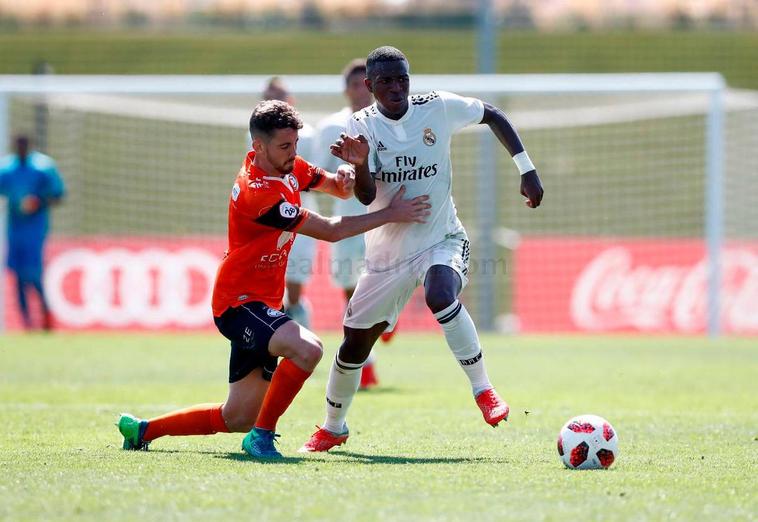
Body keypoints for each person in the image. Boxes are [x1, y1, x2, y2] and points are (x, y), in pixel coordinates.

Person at [117, 99, 431, 458]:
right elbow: (329, 230)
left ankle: (143, 431)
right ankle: (262, 437)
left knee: (236, 416)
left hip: (262, 304)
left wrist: (346, 176)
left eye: (295, 145)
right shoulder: (257, 193)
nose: (292, 153)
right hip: (238, 304)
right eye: (285, 146)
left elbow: (336, 188)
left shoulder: (287, 165)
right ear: (258, 146)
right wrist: (391, 214)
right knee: (308, 349)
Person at [300, 46, 544, 453]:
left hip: (441, 236)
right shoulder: (361, 127)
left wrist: (527, 169)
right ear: (369, 86)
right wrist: (360, 165)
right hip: (386, 256)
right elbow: (364, 198)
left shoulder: (437, 107)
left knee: (440, 294)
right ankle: (333, 425)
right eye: (386, 81)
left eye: (402, 78)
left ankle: (484, 390)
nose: (396, 87)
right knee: (354, 345)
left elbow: (494, 116)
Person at [311, 59, 392, 391]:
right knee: (351, 290)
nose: (363, 91)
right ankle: (366, 364)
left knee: (390, 281)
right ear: (347, 89)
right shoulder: (331, 127)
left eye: (367, 85)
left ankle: (389, 318)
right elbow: (315, 174)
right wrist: (341, 179)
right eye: (357, 85)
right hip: (349, 220)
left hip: (386, 220)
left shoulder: (390, 122)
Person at [262, 77, 319, 329]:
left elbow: (309, 176)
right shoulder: (254, 136)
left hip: (299, 213)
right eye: (268, 96)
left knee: (295, 279)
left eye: (279, 96)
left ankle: (300, 328)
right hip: (267, 216)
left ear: (291, 101)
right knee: (268, 280)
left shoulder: (307, 135)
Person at [0, 135, 65, 330]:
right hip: (14, 230)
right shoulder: (6, 169)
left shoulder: (43, 167)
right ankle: (26, 324)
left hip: (35, 230)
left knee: (33, 274)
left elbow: (59, 194)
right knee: (18, 276)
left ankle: (46, 314)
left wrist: (38, 201)